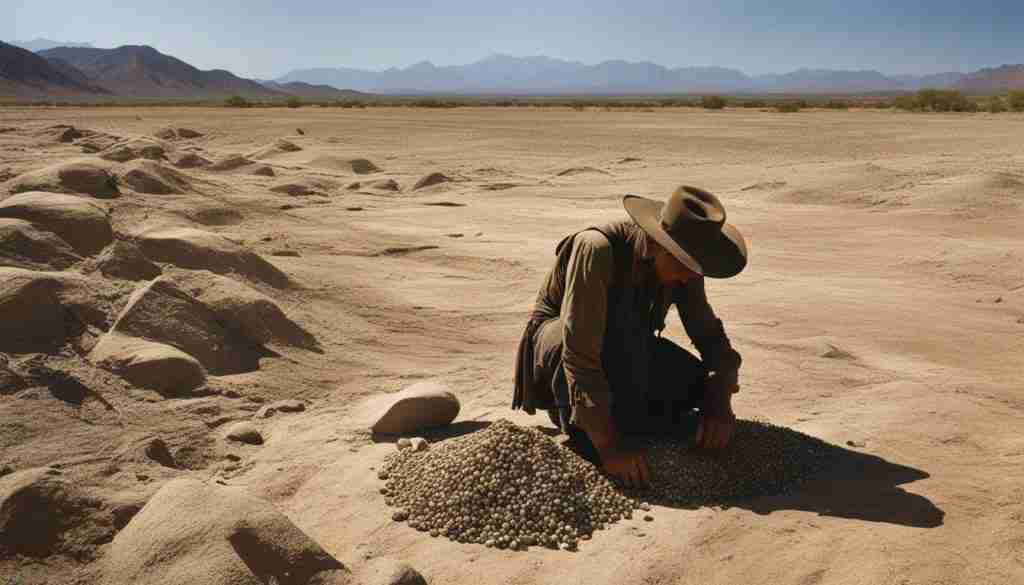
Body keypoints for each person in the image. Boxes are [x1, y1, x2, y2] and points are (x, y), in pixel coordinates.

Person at [512, 185, 748, 488]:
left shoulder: (687, 269)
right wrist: (609, 447)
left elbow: (709, 337)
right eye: (684, 266)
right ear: (657, 244)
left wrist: (720, 401)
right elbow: (579, 353)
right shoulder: (597, 248)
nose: (690, 277)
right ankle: (588, 428)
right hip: (564, 350)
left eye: (695, 269)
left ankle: (628, 413)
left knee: (696, 385)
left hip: (628, 345)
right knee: (600, 422)